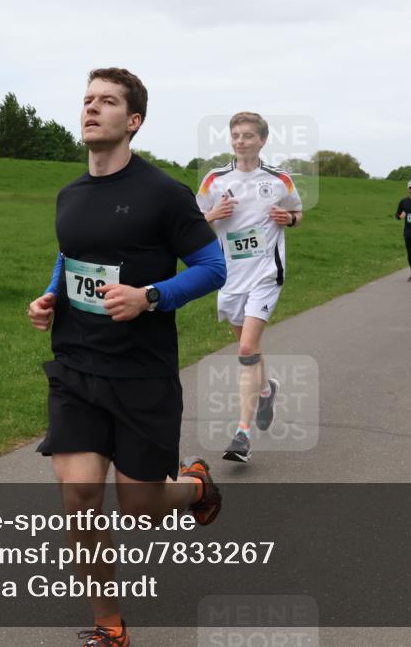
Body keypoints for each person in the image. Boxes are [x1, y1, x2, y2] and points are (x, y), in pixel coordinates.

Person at [27, 67, 227, 647]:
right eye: (87, 99)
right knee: (81, 493)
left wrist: (150, 297)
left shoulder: (164, 194)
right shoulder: (71, 194)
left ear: (132, 120)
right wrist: (49, 298)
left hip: (141, 372)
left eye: (107, 101)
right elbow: (72, 258)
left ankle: (195, 486)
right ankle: (108, 625)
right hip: (77, 366)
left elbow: (213, 268)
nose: (92, 108)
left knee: (141, 508)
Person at [196, 111, 303, 464]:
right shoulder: (214, 180)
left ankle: (241, 434)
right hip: (229, 278)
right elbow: (192, 221)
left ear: (262, 140)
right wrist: (213, 215)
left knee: (245, 349)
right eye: (236, 135)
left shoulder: (279, 180)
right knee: (249, 348)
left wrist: (289, 219)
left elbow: (297, 214)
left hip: (265, 275)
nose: (241, 141)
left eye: (248, 136)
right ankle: (267, 390)